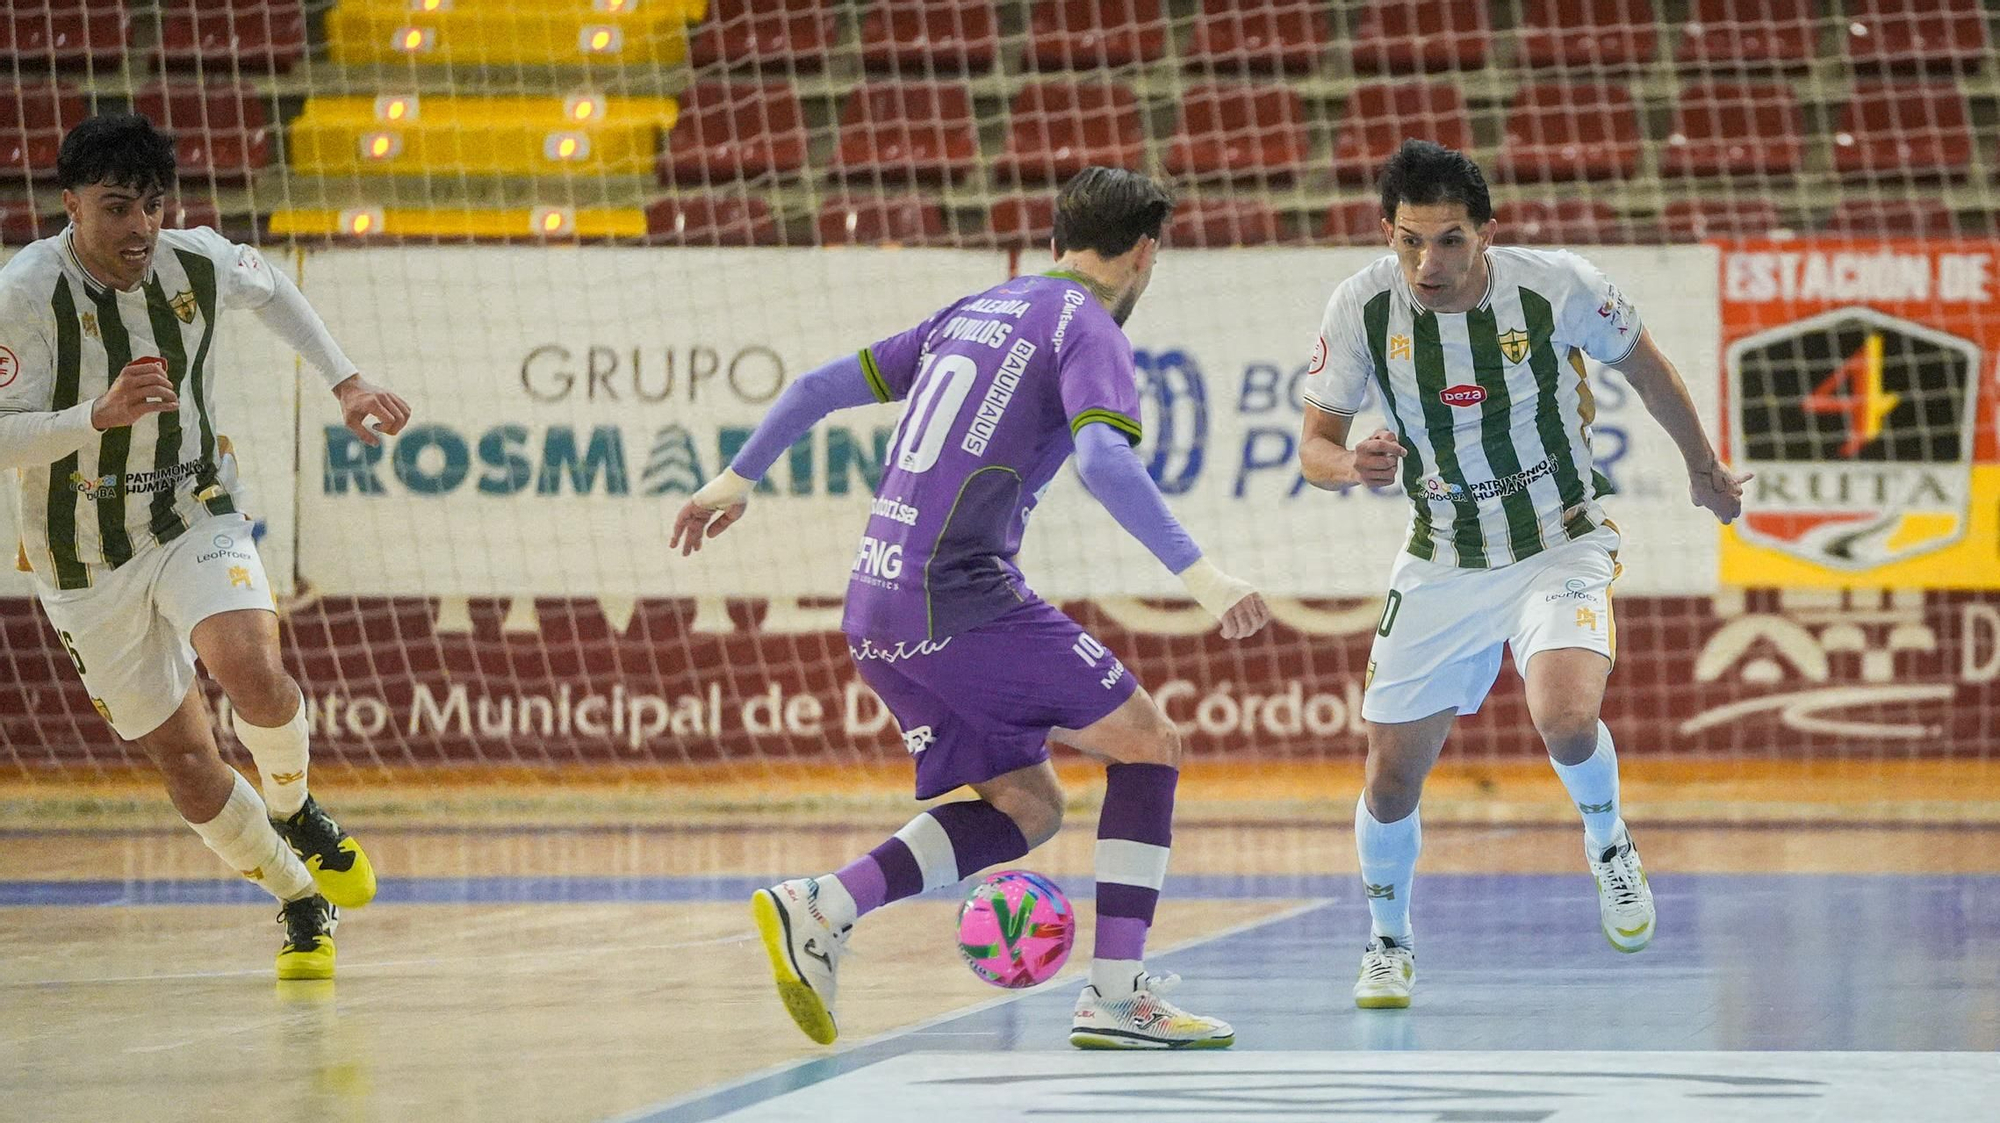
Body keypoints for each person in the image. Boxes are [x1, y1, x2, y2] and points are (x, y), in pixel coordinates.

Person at [674, 166, 1271, 1049]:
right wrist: (1206, 578)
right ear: (1146, 252)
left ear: (1056, 238)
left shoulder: (976, 309)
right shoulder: (1089, 324)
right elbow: (1105, 462)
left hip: (874, 604)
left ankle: (823, 904)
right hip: (956, 596)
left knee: (1029, 805)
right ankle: (1116, 995)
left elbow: (812, 388)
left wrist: (735, 478)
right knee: (1149, 744)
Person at [1297, 140, 1751, 1009]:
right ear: (1387, 234)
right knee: (1389, 778)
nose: (1428, 264)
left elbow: (1647, 367)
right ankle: (1388, 940)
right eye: (1410, 241)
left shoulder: (1557, 286)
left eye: (1450, 241)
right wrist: (1349, 465)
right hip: (1442, 554)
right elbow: (1314, 445)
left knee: (1566, 716)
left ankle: (1609, 841)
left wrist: (1702, 468)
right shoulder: (1361, 306)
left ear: (1488, 234)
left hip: (1559, 537)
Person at [0, 114, 411, 978]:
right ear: (71, 205)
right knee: (187, 762)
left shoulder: (195, 260)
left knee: (251, 666)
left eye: (153, 205)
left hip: (192, 505)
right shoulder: (25, 293)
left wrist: (346, 379)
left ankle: (295, 806)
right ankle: (300, 896)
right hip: (81, 554)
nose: (141, 227)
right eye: (118, 207)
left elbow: (273, 290)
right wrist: (97, 416)